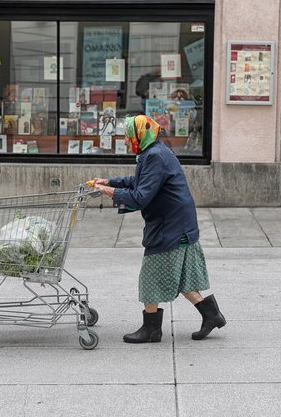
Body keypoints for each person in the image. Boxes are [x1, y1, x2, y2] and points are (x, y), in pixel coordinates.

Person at [91, 114, 226, 343]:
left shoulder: (154, 156)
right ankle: (211, 315)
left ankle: (151, 330)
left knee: (150, 276)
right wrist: (111, 182)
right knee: (181, 278)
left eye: (127, 135)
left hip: (171, 226)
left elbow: (141, 196)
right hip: (179, 223)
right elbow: (140, 181)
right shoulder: (153, 151)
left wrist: (109, 192)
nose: (125, 140)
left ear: (140, 134)